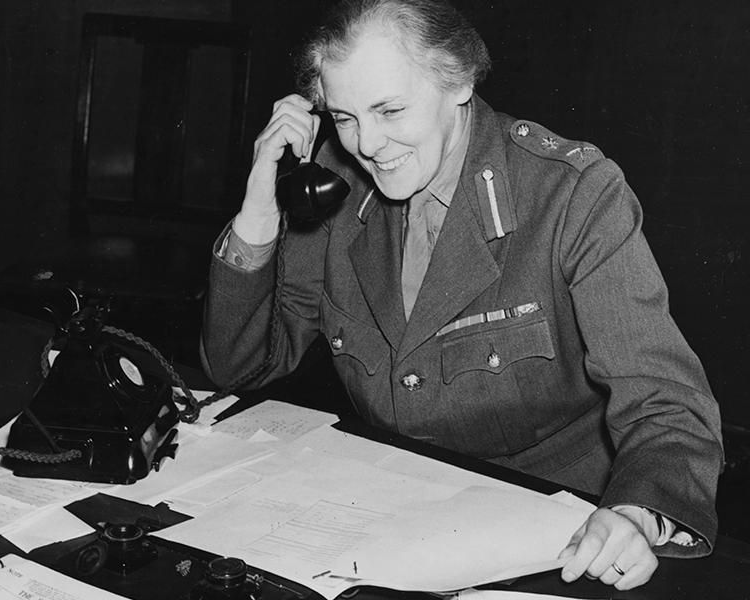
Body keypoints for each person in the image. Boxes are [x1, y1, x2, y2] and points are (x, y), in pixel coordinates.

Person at [200, 0, 723, 591]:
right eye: (343, 117)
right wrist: (257, 210)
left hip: (556, 541)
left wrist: (635, 513)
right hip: (379, 526)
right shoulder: (335, 188)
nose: (367, 144)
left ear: (459, 81)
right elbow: (243, 368)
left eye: (390, 109)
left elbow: (667, 404)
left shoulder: (570, 196)